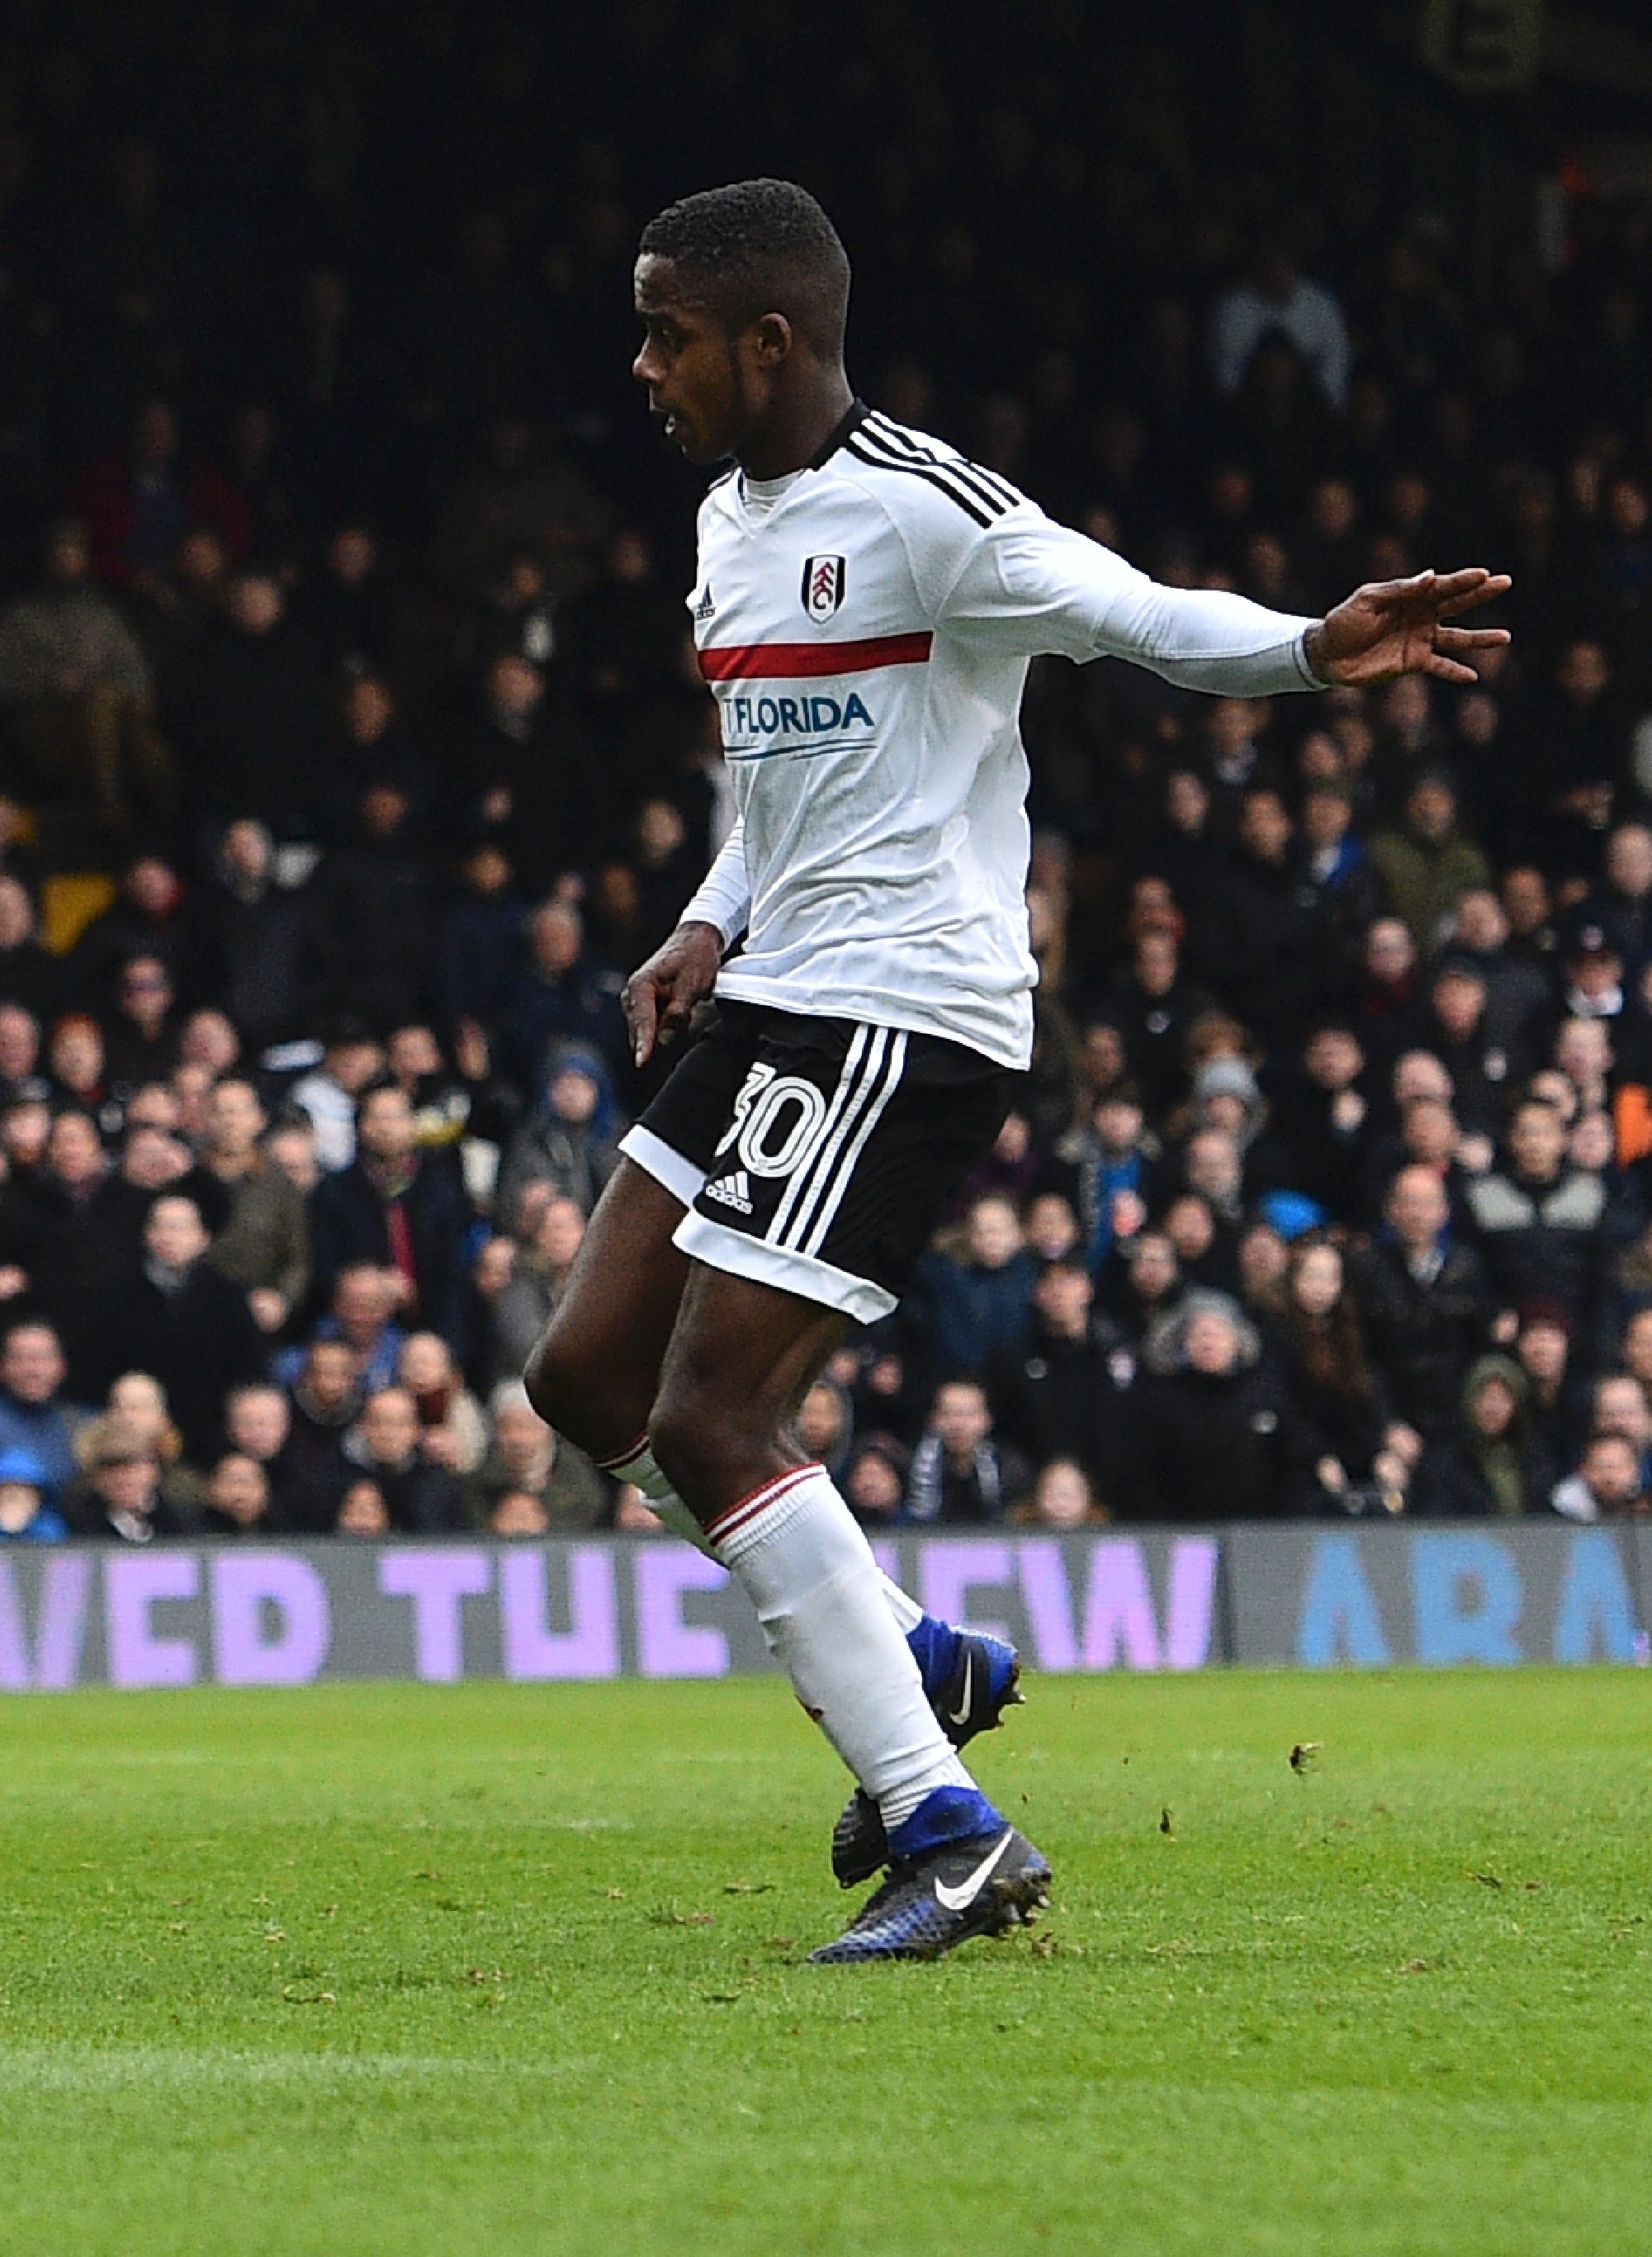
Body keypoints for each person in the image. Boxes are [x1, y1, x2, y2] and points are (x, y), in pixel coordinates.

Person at [523, 178, 1509, 1963]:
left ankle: (948, 1825)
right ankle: (921, 1657)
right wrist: (704, 917)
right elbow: (775, 772)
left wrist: (1309, 648)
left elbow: (1133, 612)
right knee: (585, 1373)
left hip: (903, 1002)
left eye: (668, 330)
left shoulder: (929, 513)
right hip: (777, 990)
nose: (643, 362)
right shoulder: (723, 528)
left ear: (772, 338)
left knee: (707, 1415)